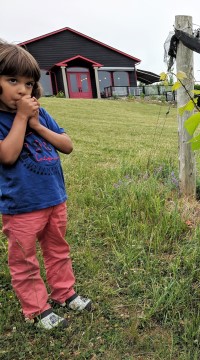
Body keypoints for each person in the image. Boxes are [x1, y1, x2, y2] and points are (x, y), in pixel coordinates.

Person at [0, 40, 92, 330]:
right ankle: (37, 308)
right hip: (22, 206)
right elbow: (8, 154)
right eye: (12, 80)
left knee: (58, 249)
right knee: (25, 259)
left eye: (28, 83)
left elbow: (67, 145)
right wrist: (22, 118)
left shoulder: (42, 114)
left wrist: (38, 124)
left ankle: (64, 292)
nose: (21, 90)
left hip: (54, 198)